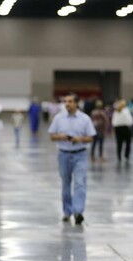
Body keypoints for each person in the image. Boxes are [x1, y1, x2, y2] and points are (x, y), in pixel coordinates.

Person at [48, 94, 96, 225]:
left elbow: (91, 137)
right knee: (65, 184)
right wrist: (61, 137)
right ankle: (67, 211)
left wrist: (79, 139)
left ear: (76, 103)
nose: (67, 104)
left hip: (80, 154)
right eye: (65, 102)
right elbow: (51, 136)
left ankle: (78, 211)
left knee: (80, 182)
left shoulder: (85, 119)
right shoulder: (59, 118)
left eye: (70, 102)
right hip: (63, 155)